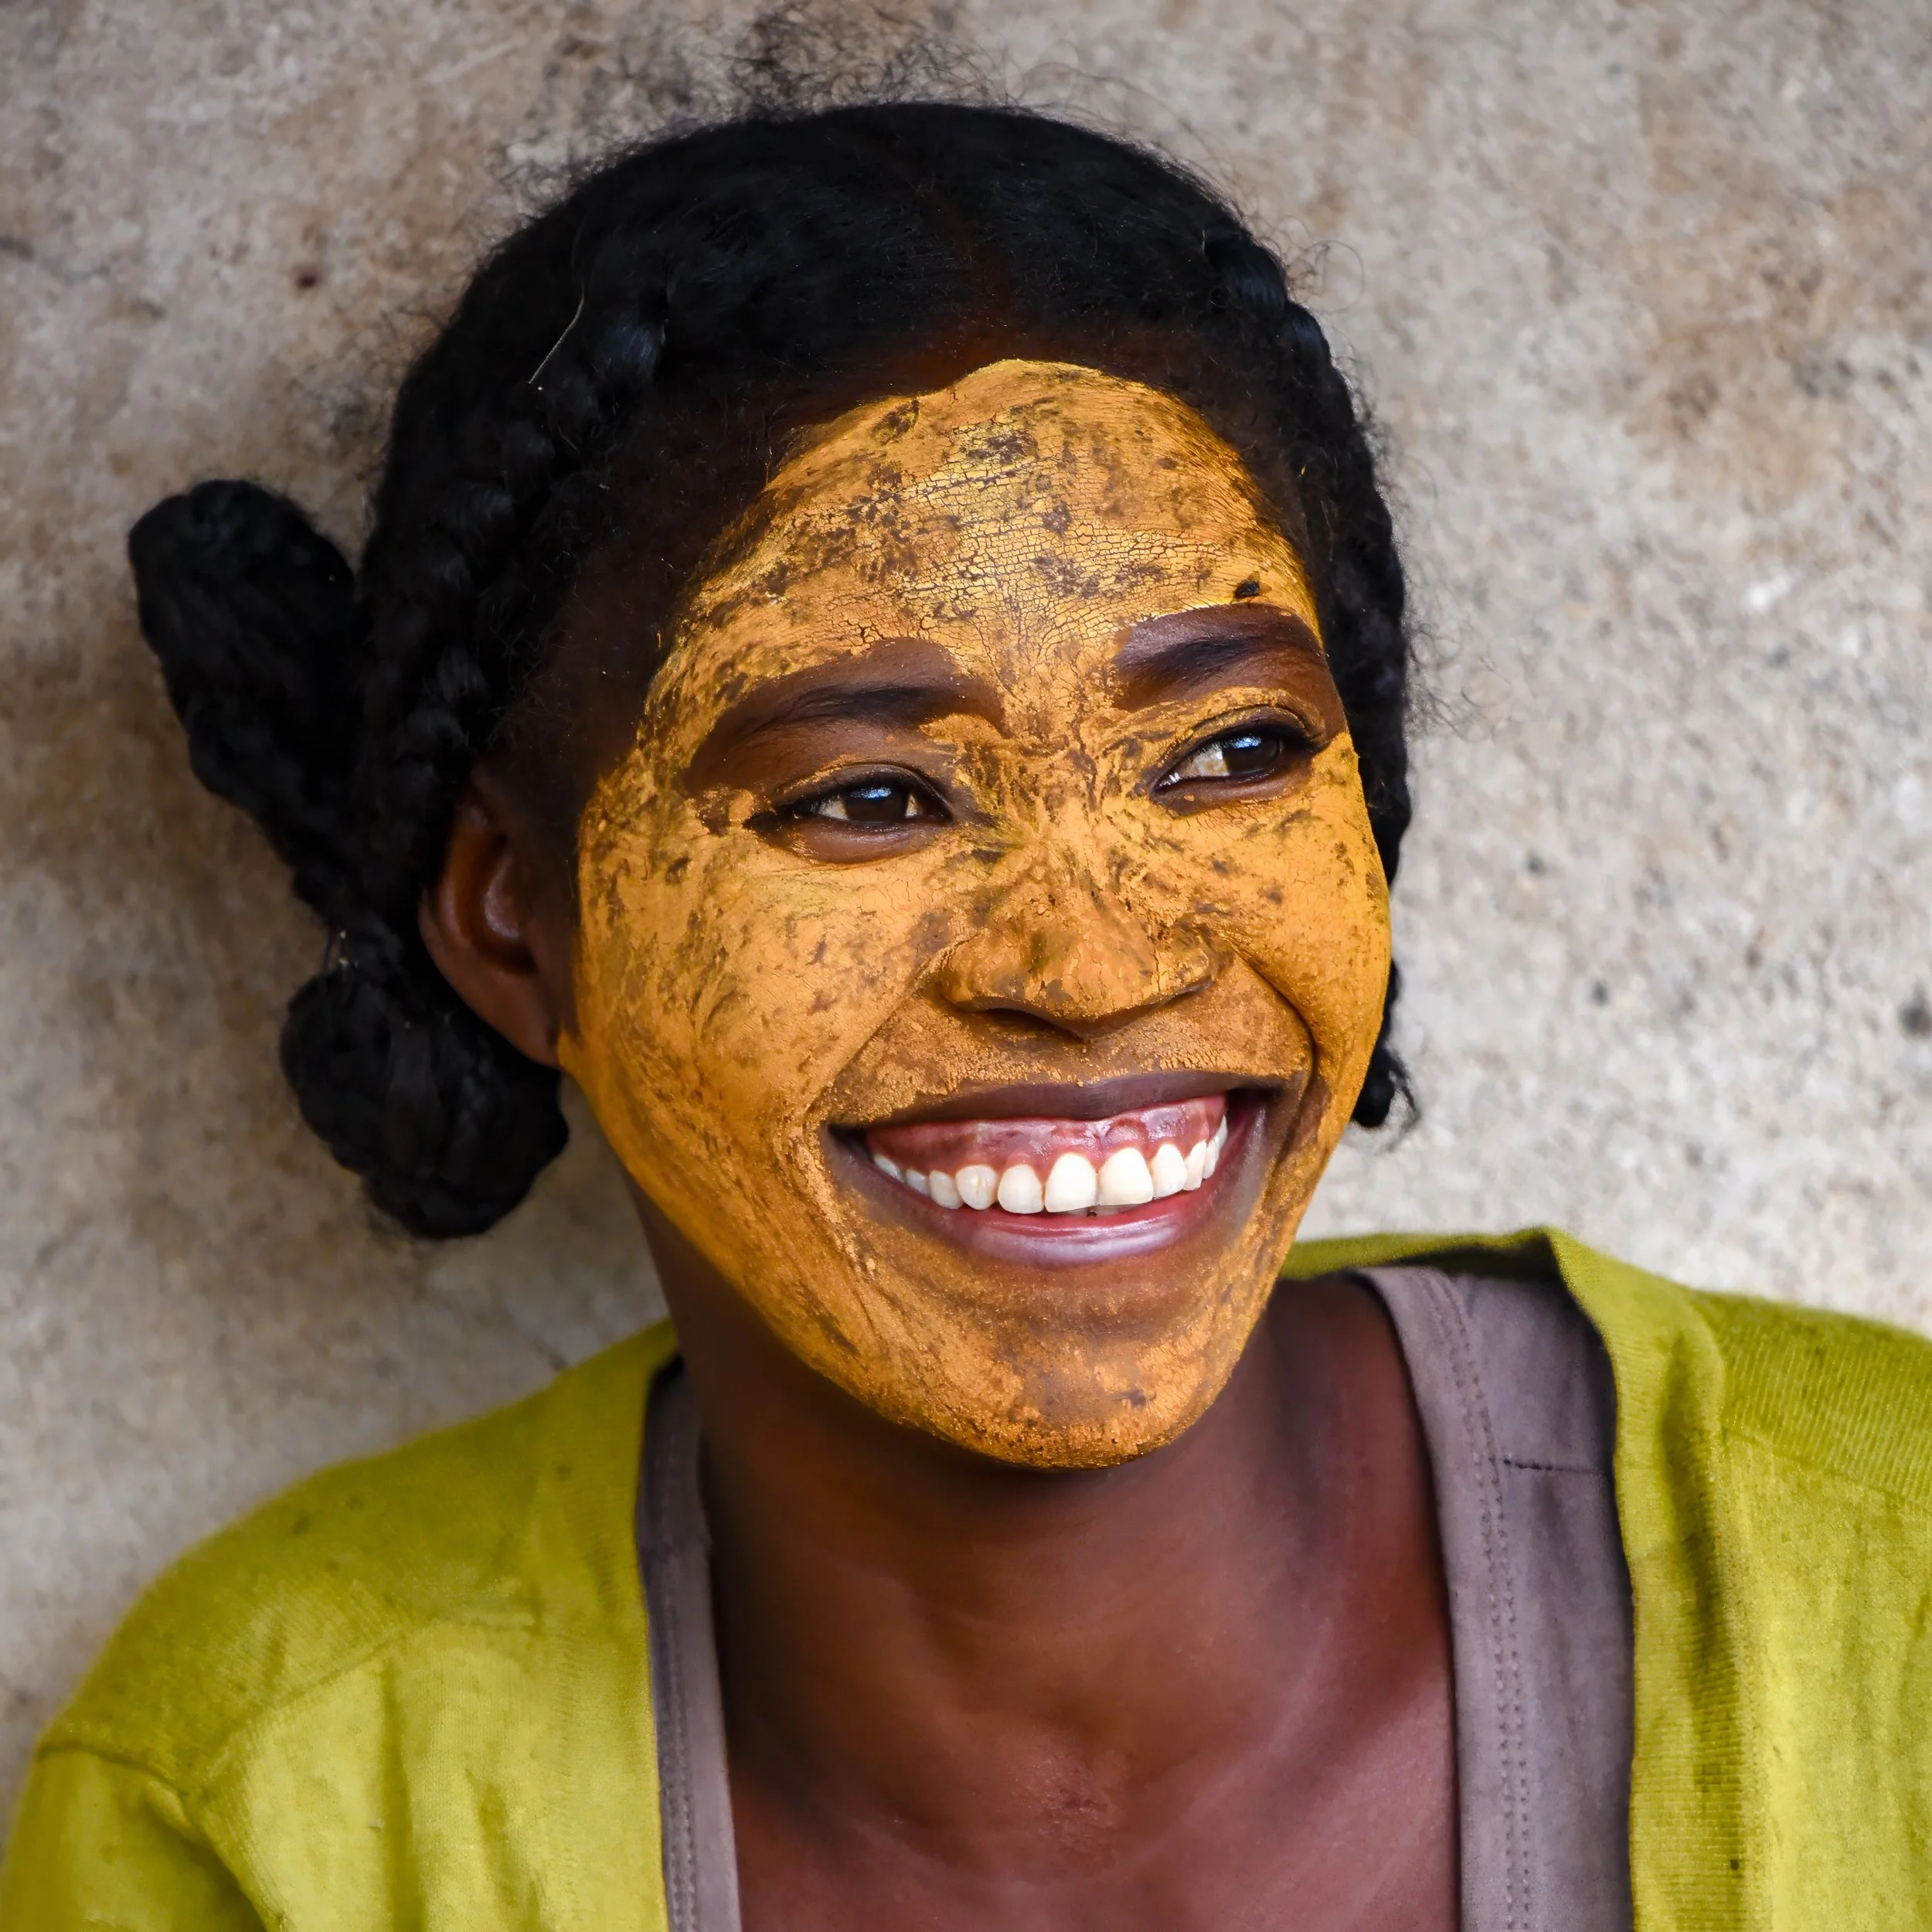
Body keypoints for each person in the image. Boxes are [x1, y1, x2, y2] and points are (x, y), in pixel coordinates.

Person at [4, 100, 1929, 1932]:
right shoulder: (267, 1811)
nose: (1090, 965)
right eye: (865, 794)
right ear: (516, 928)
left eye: (1234, 750)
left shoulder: (1890, 1580)